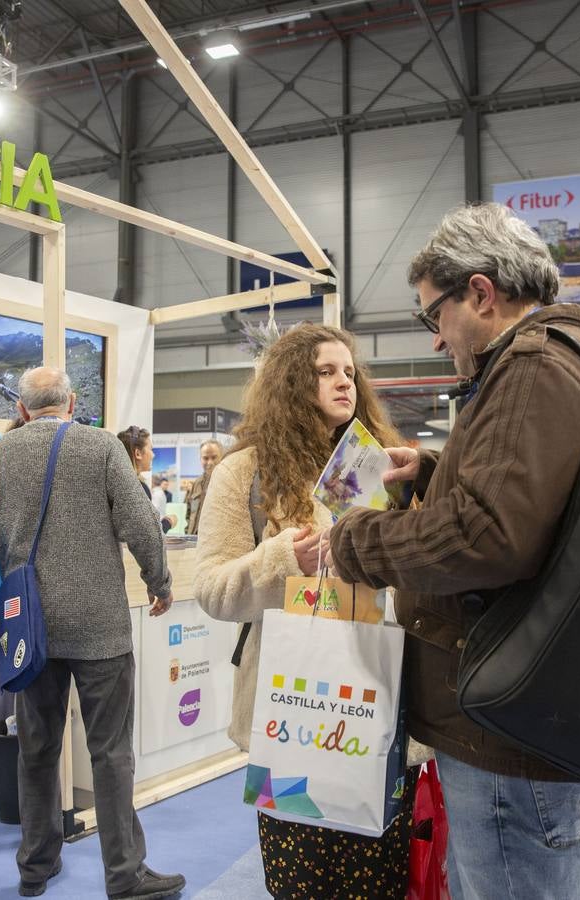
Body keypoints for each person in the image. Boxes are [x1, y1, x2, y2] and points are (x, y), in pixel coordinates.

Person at [323, 202, 580, 900]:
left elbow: (483, 537)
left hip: (506, 730)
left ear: (482, 293)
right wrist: (434, 471)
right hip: (523, 715)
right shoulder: (569, 356)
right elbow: (539, 502)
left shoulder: (531, 368)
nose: (436, 338)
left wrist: (355, 540)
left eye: (435, 315)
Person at [192, 323, 412, 899]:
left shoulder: (376, 462)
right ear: (292, 382)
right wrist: (285, 558)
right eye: (326, 371)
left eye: (349, 372)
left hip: (373, 697)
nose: (345, 382)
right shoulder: (244, 472)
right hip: (291, 713)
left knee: (379, 879)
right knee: (300, 881)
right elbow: (211, 588)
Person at [0, 368, 185, 900]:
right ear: (73, 403)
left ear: (21, 409)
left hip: (28, 626)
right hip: (100, 625)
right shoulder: (101, 447)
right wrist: (159, 582)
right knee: (111, 752)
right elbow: (141, 523)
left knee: (36, 748)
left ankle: (35, 866)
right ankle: (125, 875)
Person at [117, 426, 176, 533]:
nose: (153, 455)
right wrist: (168, 522)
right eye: (151, 449)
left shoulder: (115, 485)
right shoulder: (138, 488)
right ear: (138, 454)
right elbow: (148, 535)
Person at [184, 439, 222, 535]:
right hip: (194, 539)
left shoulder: (228, 483)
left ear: (222, 457)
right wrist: (188, 533)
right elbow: (189, 514)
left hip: (214, 539)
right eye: (205, 458)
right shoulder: (196, 483)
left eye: (214, 457)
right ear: (200, 459)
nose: (210, 462)